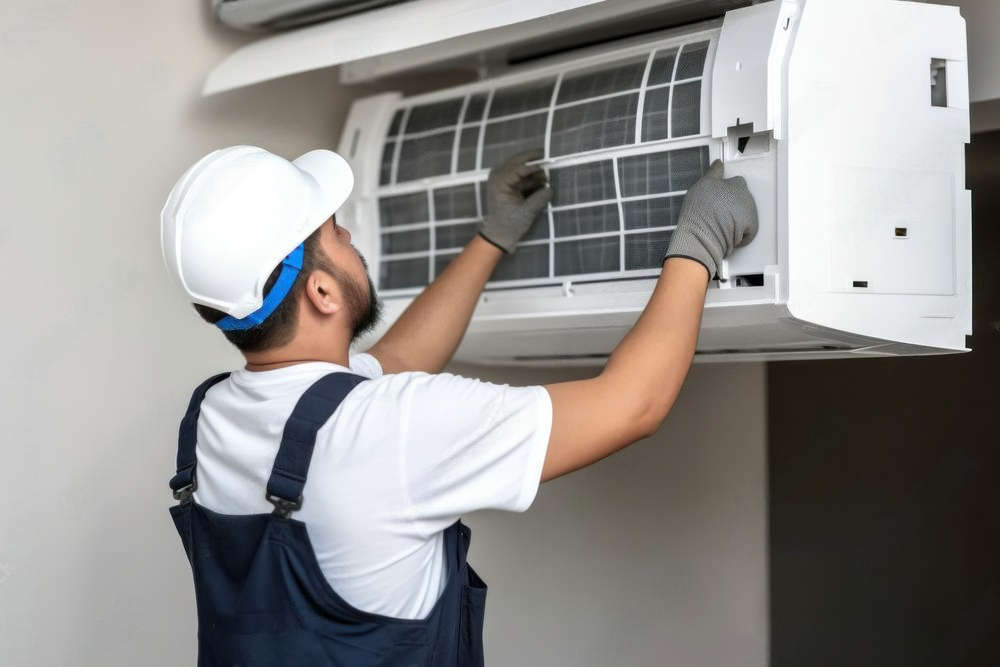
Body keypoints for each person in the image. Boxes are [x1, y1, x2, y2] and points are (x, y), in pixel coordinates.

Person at [160, 145, 757, 666]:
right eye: (335, 233)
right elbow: (632, 404)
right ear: (321, 290)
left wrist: (491, 238)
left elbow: (399, 358)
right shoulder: (392, 426)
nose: (348, 239)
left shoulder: (210, 416)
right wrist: (698, 246)